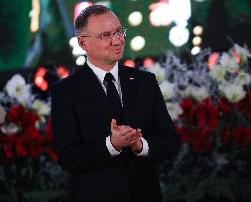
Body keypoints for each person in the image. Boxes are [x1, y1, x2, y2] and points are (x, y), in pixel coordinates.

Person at [50, 4, 179, 202]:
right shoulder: (66, 92)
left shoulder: (145, 82)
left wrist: (140, 145)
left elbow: (170, 143)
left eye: (119, 32)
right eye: (105, 35)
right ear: (83, 43)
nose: (117, 41)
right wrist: (111, 145)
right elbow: (69, 158)